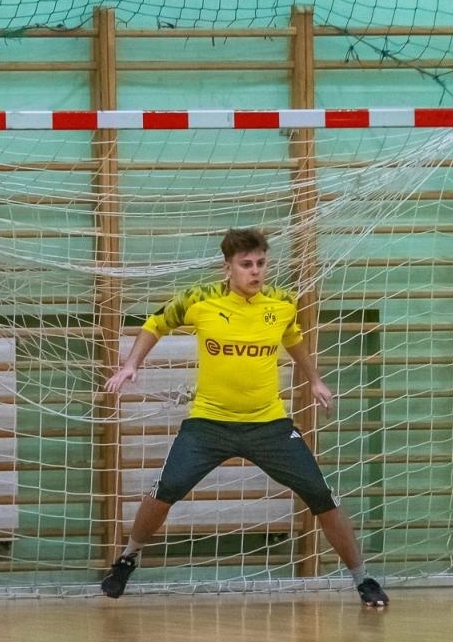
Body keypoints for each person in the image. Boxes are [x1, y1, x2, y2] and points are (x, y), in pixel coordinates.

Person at [99, 228, 388, 607]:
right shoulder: (199, 299)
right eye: (246, 264)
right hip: (209, 425)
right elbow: (155, 324)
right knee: (164, 490)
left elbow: (293, 338)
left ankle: (362, 579)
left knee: (321, 495)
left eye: (261, 264)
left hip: (268, 425)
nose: (255, 271)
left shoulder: (282, 304)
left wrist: (315, 379)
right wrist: (131, 365)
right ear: (228, 267)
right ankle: (127, 558)